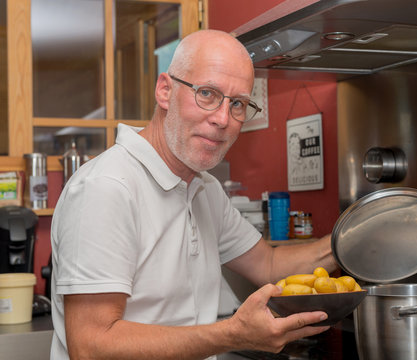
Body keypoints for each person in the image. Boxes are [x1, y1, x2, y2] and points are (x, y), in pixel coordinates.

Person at [50, 29, 337, 360]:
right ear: (165, 90)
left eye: (239, 104)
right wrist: (231, 334)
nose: (222, 119)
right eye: (207, 93)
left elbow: (269, 265)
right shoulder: (107, 187)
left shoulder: (204, 189)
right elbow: (91, 345)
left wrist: (353, 239)